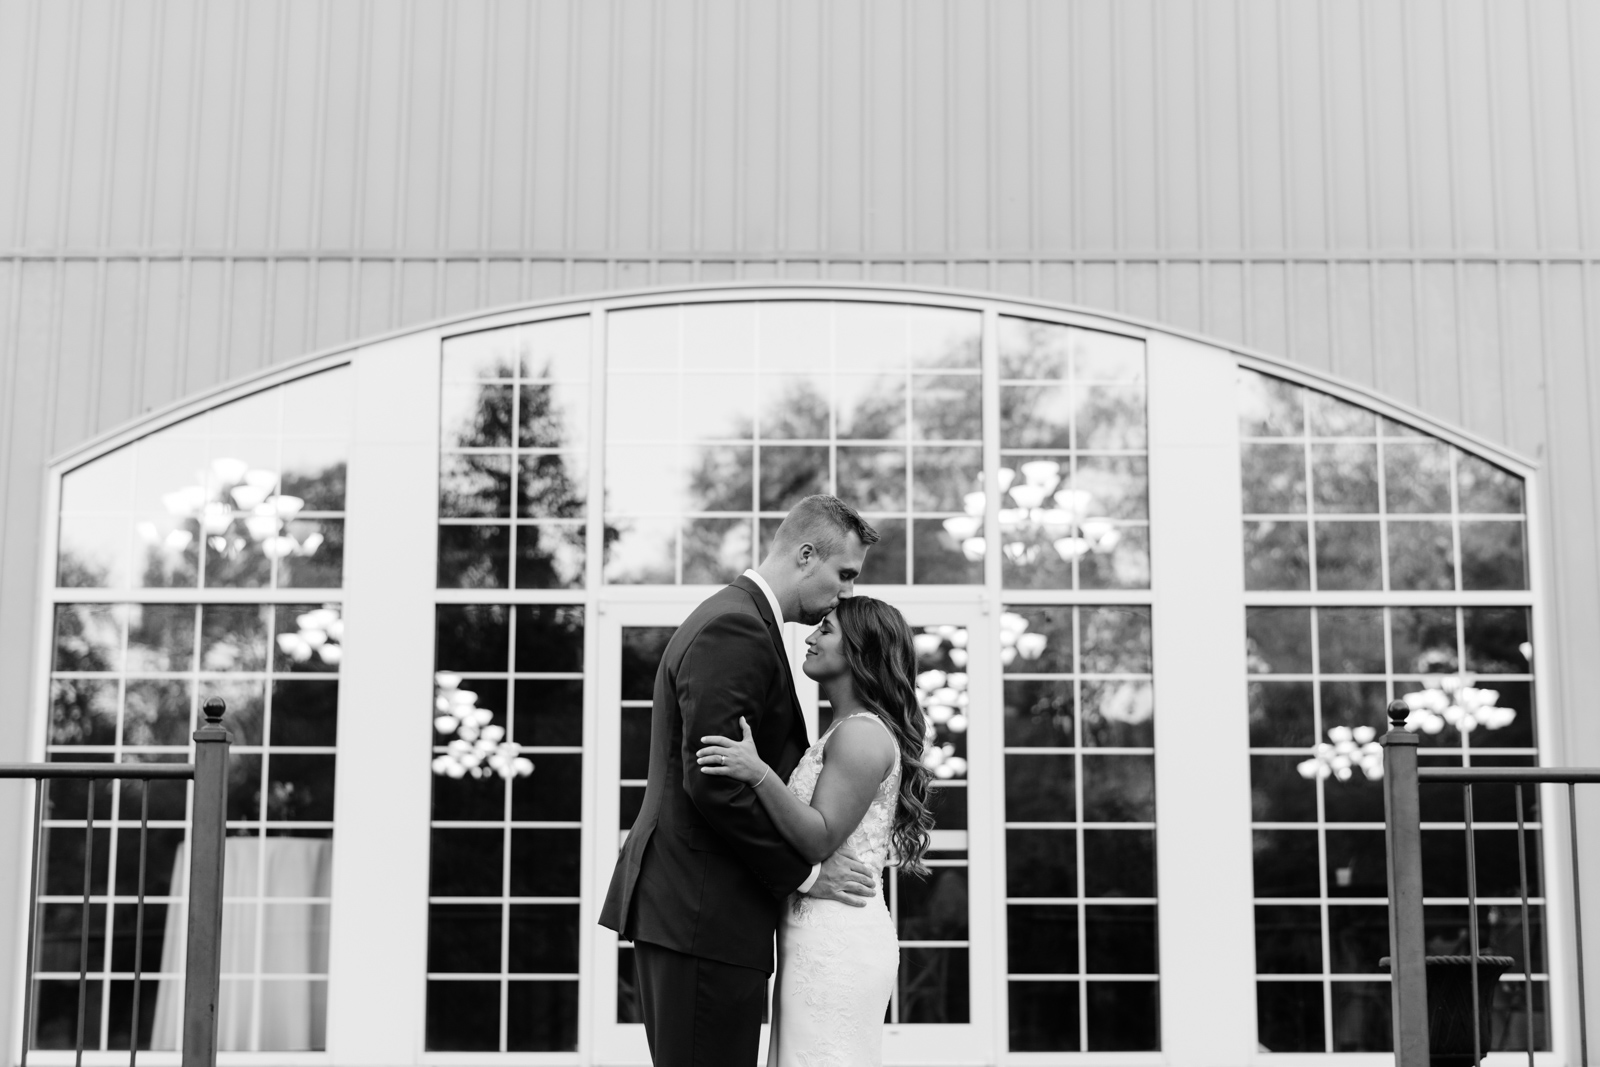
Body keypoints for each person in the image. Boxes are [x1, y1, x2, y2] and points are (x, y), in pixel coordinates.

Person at [599, 495, 883, 1067]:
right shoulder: (735, 626)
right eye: (844, 574)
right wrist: (804, 875)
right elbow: (716, 782)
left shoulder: (742, 620)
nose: (847, 594)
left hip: (707, 912)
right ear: (806, 555)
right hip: (702, 908)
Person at [696, 595, 935, 1067]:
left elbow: (820, 837)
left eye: (825, 630)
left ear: (860, 650)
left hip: (837, 939)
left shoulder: (862, 734)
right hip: (814, 931)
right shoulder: (842, 729)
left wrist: (757, 772)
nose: (809, 636)